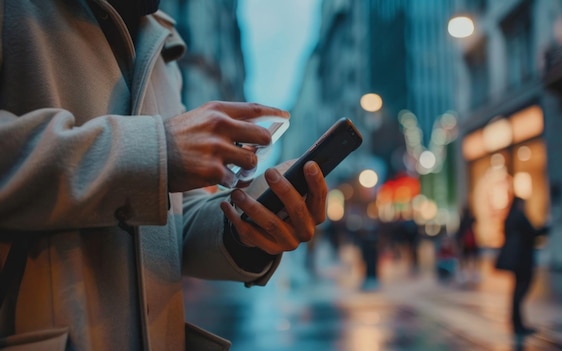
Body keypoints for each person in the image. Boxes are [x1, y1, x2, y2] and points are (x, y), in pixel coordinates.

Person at [0, 2, 328, 350]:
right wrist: (159, 150)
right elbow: (155, 164)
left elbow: (171, 218)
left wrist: (248, 224)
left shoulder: (160, 36)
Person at [495, 197, 549, 337]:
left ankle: (516, 321)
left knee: (517, 290)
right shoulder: (519, 217)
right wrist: (544, 229)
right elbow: (531, 233)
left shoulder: (510, 217)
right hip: (523, 259)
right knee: (521, 290)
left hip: (516, 260)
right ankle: (517, 323)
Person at [456, 205, 479, 283]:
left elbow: (460, 232)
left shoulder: (463, 220)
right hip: (471, 241)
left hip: (466, 242)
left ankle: (465, 273)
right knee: (473, 258)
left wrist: (459, 241)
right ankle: (473, 273)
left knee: (465, 258)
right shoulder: (471, 219)